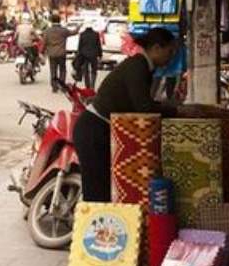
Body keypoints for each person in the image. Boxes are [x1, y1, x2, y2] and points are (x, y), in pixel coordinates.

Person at [72, 28, 179, 202]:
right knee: (98, 194)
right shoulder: (138, 66)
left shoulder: (143, 67)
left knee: (105, 190)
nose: (171, 57)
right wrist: (175, 111)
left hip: (100, 129)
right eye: (170, 51)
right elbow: (143, 107)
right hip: (93, 131)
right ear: (156, 48)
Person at [43, 14, 78, 93]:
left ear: (51, 21)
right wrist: (79, 27)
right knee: (62, 70)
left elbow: (44, 43)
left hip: (52, 54)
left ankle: (54, 87)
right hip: (61, 53)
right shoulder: (63, 30)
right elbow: (74, 32)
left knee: (53, 70)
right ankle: (62, 86)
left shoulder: (47, 31)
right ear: (59, 20)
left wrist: (42, 52)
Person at [74, 22, 103, 90]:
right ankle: (92, 85)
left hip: (84, 55)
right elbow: (98, 45)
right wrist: (100, 54)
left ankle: (87, 86)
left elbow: (80, 46)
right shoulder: (96, 34)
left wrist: (78, 55)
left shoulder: (82, 34)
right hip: (93, 55)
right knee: (94, 71)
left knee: (86, 71)